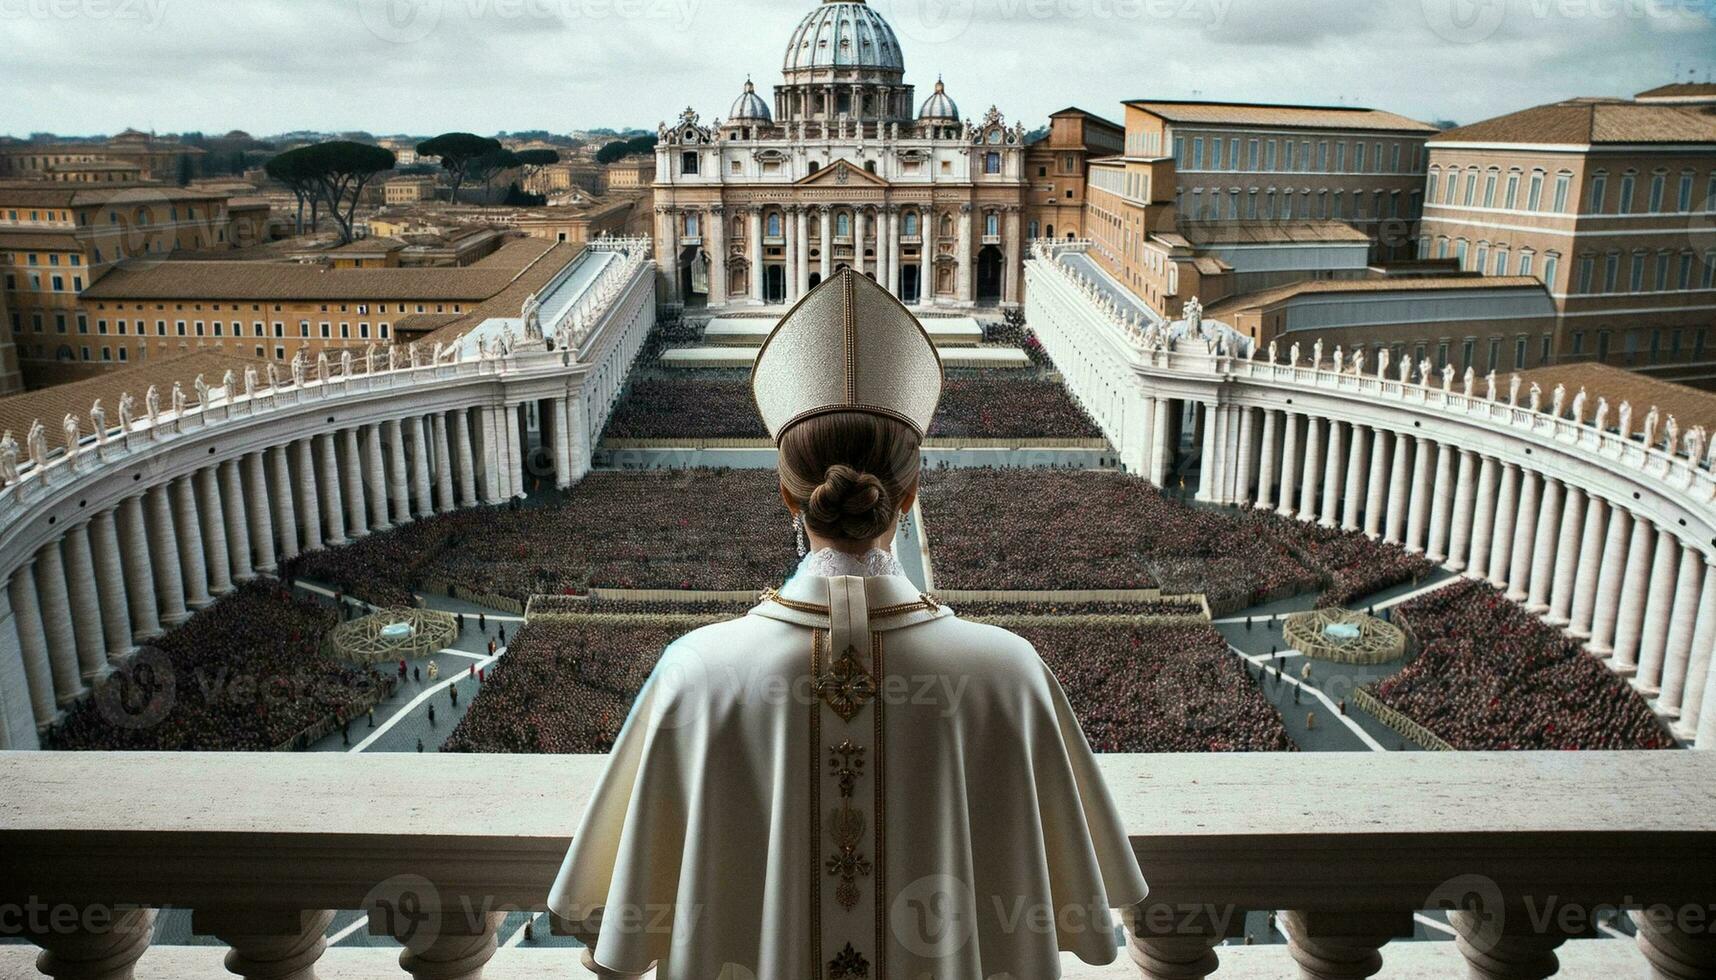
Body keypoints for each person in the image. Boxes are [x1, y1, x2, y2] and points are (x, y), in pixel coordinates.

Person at [550, 271, 1145, 978]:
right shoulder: (1011, 673)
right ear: (910, 492)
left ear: (785, 492)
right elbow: (1074, 910)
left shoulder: (693, 674)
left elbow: (613, 934)